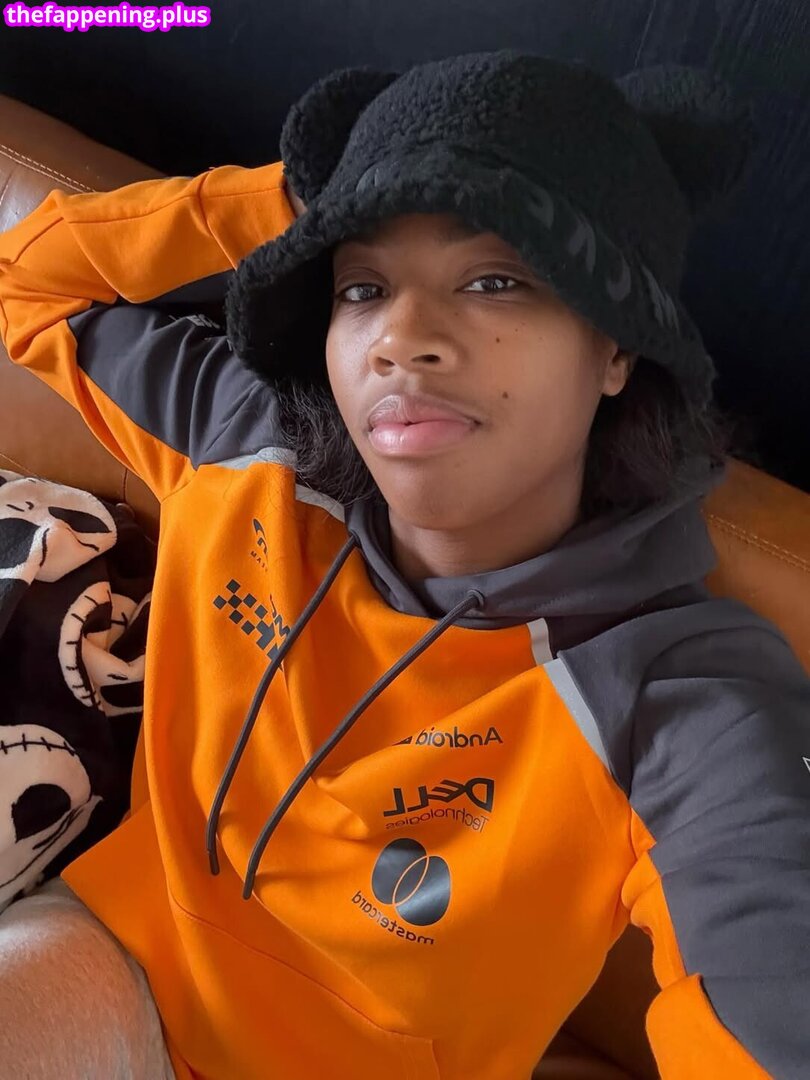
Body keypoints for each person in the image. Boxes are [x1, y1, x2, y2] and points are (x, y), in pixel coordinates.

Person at [0, 48, 808, 1080]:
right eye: (364, 286)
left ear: (615, 348)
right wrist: (304, 202)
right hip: (114, 963)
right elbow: (24, 284)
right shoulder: (248, 445)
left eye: (494, 280)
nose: (401, 337)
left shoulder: (672, 693)